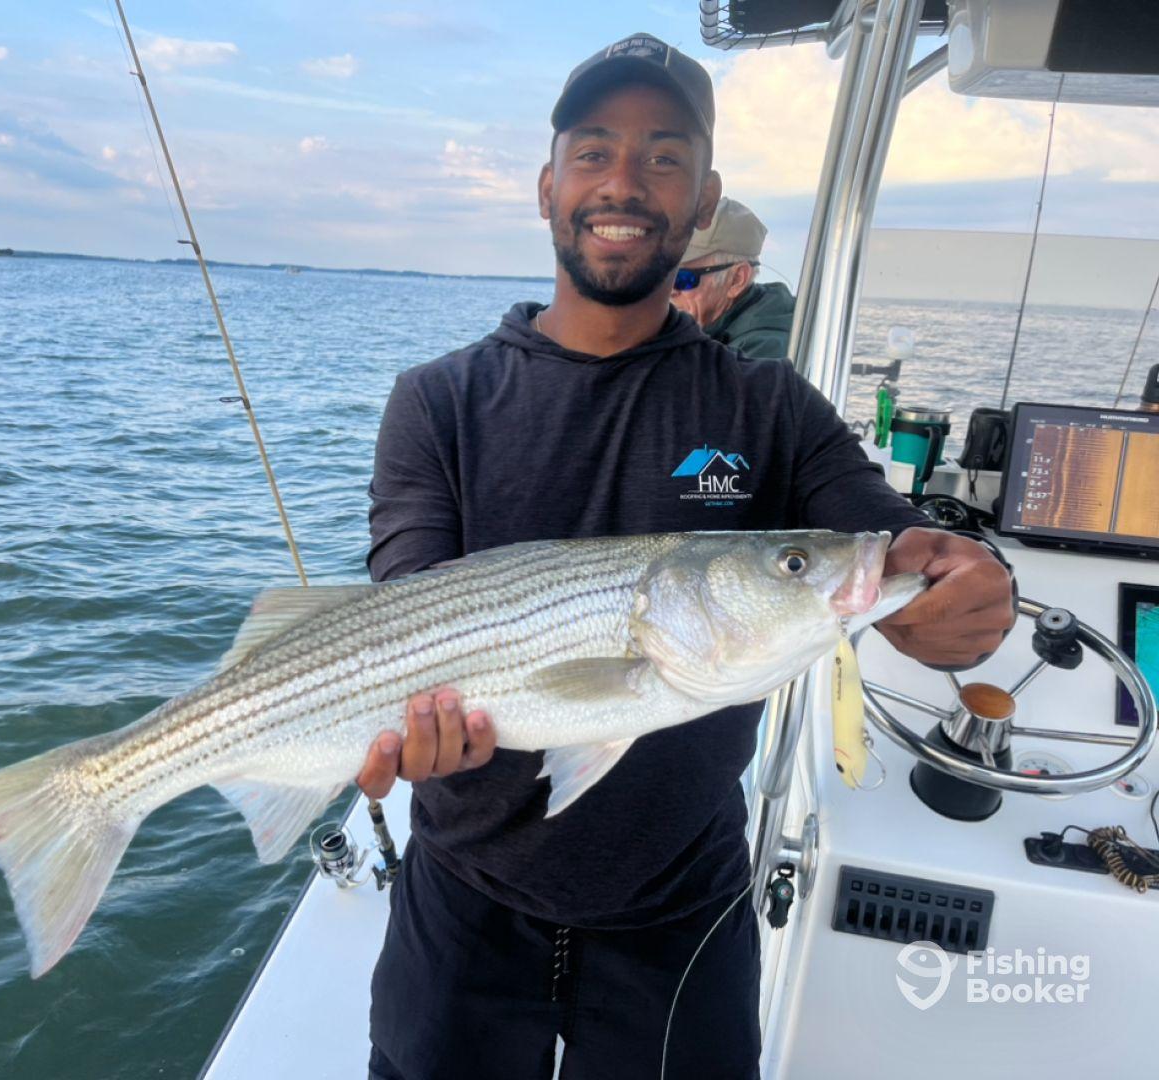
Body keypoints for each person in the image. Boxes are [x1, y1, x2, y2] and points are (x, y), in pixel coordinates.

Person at [354, 32, 1015, 1080]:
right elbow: (407, 605)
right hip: (463, 895)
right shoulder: (437, 400)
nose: (624, 182)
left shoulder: (769, 406)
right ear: (546, 185)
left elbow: (880, 533)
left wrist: (965, 586)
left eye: (664, 155)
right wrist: (413, 720)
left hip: (680, 901)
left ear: (705, 199)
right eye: (593, 151)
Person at [671, 196, 796, 359]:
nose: (669, 290)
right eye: (664, 274)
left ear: (737, 279)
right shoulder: (709, 329)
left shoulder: (759, 354)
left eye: (682, 278)